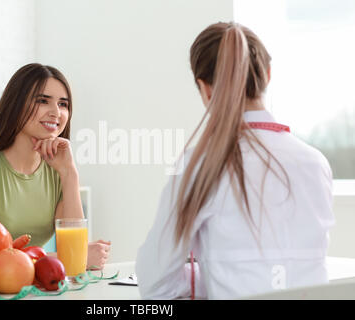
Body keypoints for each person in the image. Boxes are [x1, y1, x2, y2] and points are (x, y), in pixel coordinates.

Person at [135, 22, 334, 299]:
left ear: (204, 89)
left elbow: (156, 286)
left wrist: (205, 277)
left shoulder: (200, 164)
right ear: (267, 75)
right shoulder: (317, 163)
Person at [0, 63, 111, 270]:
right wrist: (68, 258)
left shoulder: (57, 170)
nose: (56, 112)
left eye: (63, 104)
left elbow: (74, 253)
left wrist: (70, 173)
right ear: (15, 105)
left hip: (29, 287)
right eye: (43, 101)